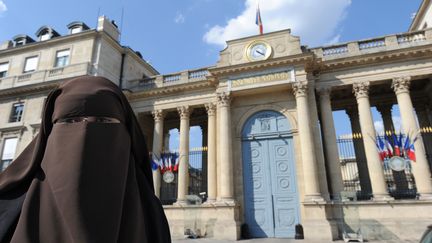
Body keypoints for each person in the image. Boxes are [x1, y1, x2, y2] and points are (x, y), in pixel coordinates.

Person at [0, 76, 171, 243]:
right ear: (50, 131)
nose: (85, 133)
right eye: (71, 120)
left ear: (127, 133)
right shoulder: (6, 210)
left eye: (103, 121)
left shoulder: (151, 213)